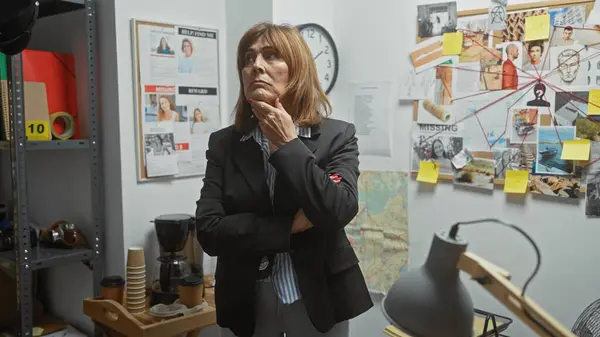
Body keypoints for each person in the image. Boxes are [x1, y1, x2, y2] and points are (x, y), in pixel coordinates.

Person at [195, 22, 373, 337]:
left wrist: (289, 145)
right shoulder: (224, 144)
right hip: (247, 301)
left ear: (298, 69)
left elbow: (337, 211)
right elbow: (209, 231)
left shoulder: (337, 136)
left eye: (271, 56)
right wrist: (288, 227)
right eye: (248, 59)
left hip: (318, 299)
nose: (255, 66)